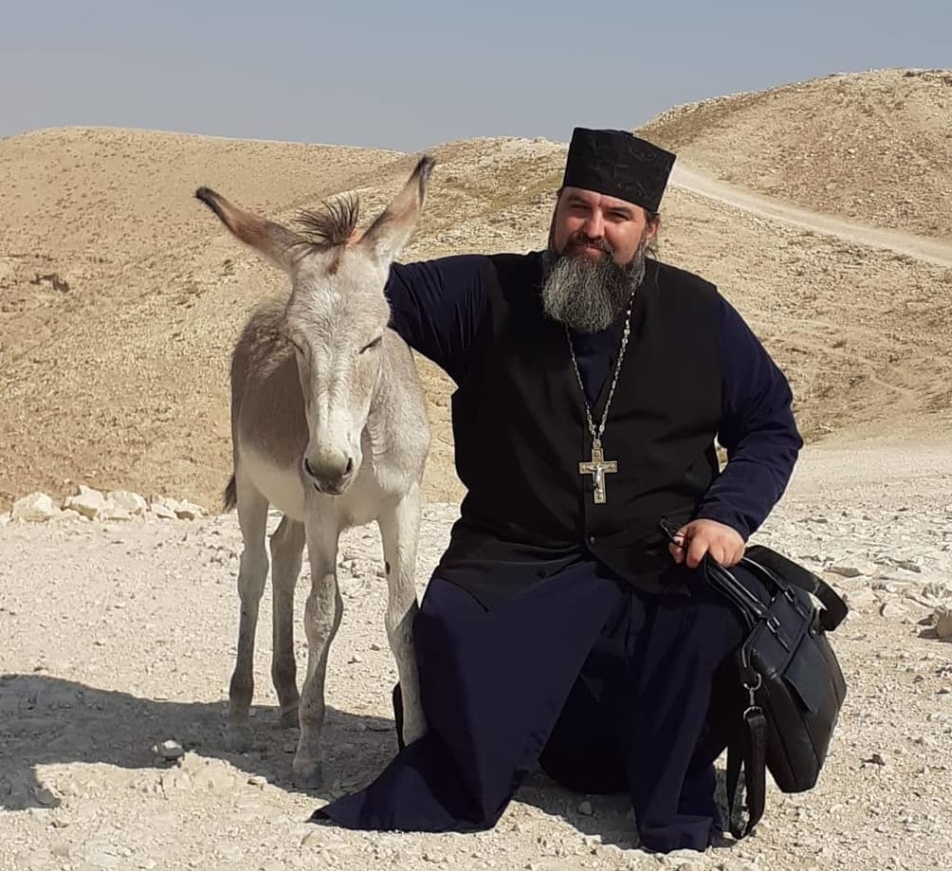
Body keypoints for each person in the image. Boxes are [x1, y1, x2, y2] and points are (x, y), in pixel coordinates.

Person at [312, 127, 803, 853]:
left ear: (649, 230)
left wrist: (727, 519)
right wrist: (347, 260)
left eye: (617, 216)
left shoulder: (700, 316)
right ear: (557, 210)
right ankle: (486, 760)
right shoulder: (488, 295)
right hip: (515, 556)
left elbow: (771, 425)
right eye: (580, 207)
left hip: (656, 558)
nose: (593, 230)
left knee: (714, 622)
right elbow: (373, 291)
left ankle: (665, 795)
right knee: (449, 620)